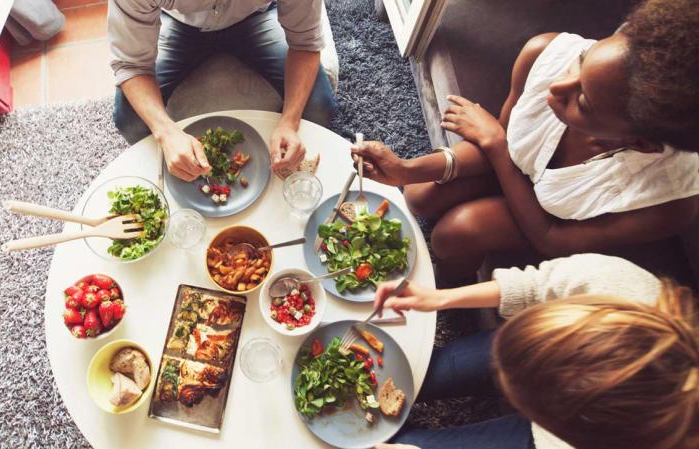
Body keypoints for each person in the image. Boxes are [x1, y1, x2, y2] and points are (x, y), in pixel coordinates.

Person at [351, 0, 699, 283]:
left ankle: (455, 290)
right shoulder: (544, 52)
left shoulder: (667, 205)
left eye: (583, 102)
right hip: (516, 164)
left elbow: (552, 240)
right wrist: (404, 170)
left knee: (454, 234)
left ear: (641, 144)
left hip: (553, 223)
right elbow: (509, 146)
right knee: (418, 192)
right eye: (581, 62)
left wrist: (495, 142)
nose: (555, 90)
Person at [370, 253, 699, 449]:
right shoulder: (614, 281)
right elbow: (533, 286)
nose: (499, 378)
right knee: (402, 376)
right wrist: (442, 297)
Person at [108, 0, 337, 181]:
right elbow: (131, 65)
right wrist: (166, 133)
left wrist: (289, 122)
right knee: (130, 119)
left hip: (257, 15)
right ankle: (170, 174)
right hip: (179, 22)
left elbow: (305, 44)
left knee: (318, 106)